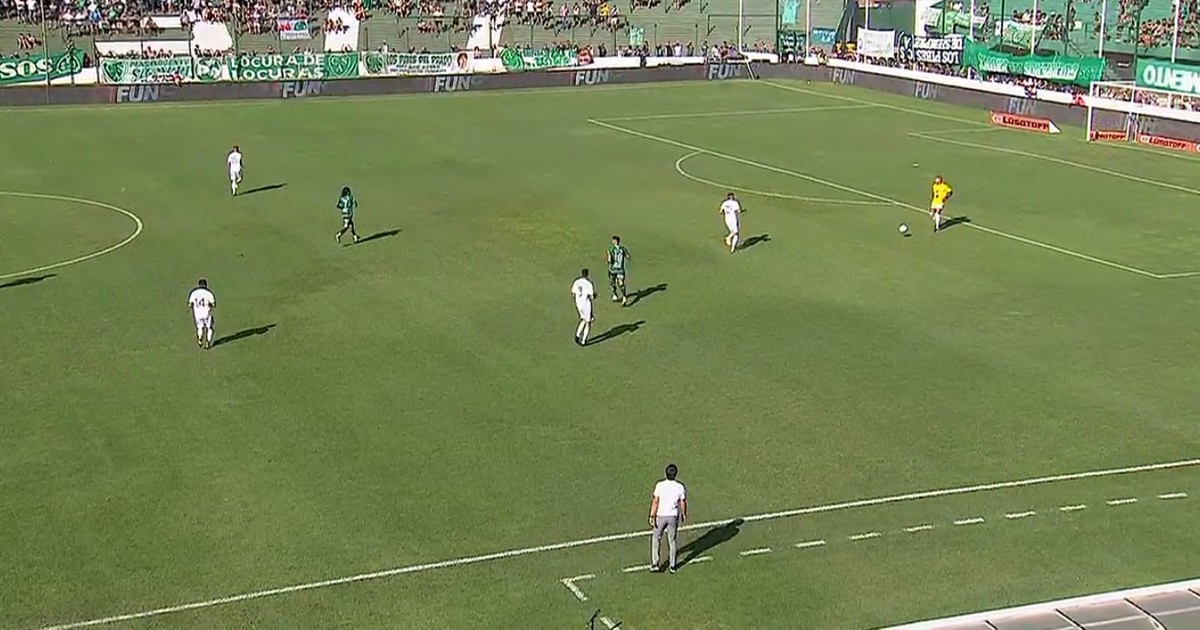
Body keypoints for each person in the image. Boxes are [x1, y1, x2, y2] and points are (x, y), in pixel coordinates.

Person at [649, 463, 687, 573]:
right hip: (673, 516)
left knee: (656, 538)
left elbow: (656, 501)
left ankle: (655, 563)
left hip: (661, 515)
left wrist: (652, 514)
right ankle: (672, 565)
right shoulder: (680, 487)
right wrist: (684, 514)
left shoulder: (660, 485)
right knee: (672, 540)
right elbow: (683, 502)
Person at [188, 278, 216, 349]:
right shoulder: (209, 293)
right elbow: (213, 304)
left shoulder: (194, 293)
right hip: (207, 313)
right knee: (210, 328)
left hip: (197, 314)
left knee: (200, 327)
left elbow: (190, 304)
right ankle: (208, 342)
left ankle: (200, 338)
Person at [570, 268, 595, 346]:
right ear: (587, 274)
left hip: (579, 304)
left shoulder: (576, 282)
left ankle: (577, 335)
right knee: (588, 322)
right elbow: (592, 296)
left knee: (583, 319)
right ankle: (583, 340)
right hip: (586, 305)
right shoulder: (589, 283)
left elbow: (573, 294)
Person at [606, 235, 631, 306]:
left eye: (613, 240)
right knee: (617, 283)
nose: (612, 241)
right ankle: (619, 296)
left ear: (615, 241)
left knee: (616, 283)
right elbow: (628, 257)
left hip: (615, 270)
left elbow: (609, 260)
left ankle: (619, 295)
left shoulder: (612, 249)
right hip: (617, 269)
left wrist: (608, 258)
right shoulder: (621, 249)